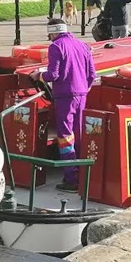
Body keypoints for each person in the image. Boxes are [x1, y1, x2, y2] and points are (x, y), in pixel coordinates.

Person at [38, 19, 97, 192]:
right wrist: (83, 89)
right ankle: (82, 174)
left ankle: (71, 177)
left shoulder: (56, 46)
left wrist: (38, 75)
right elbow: (92, 74)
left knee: (65, 135)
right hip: (82, 94)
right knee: (79, 133)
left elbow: (53, 75)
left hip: (65, 96)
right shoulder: (82, 45)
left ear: (53, 32)